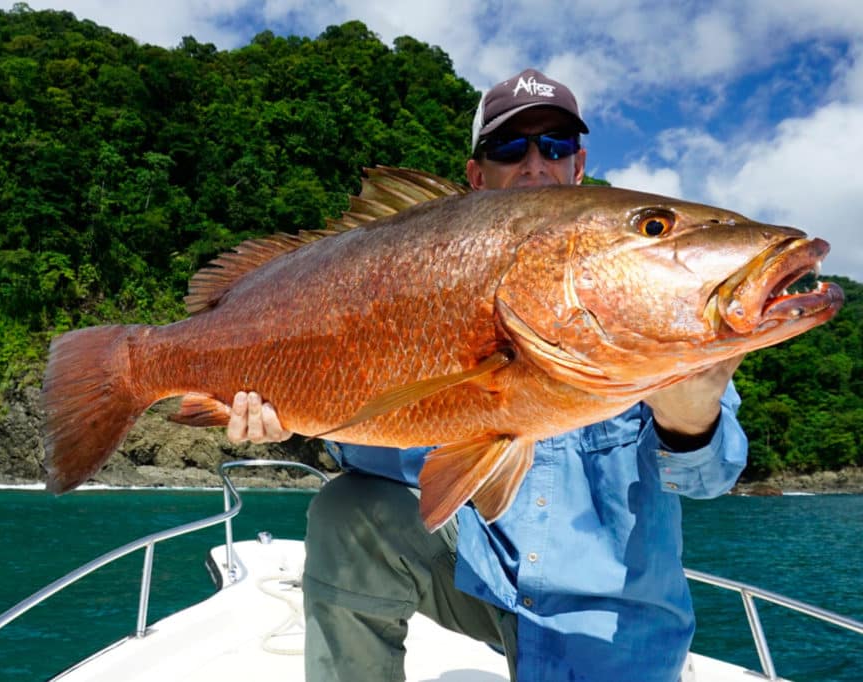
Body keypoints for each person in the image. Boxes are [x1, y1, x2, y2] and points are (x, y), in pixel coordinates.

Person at [226, 68, 748, 681]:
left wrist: (690, 419)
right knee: (349, 509)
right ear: (477, 178)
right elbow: (379, 450)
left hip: (605, 624)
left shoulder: (652, 316)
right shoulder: (432, 280)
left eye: (554, 146)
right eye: (509, 148)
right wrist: (286, 420)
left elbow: (711, 477)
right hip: (479, 580)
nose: (534, 164)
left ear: (578, 166)